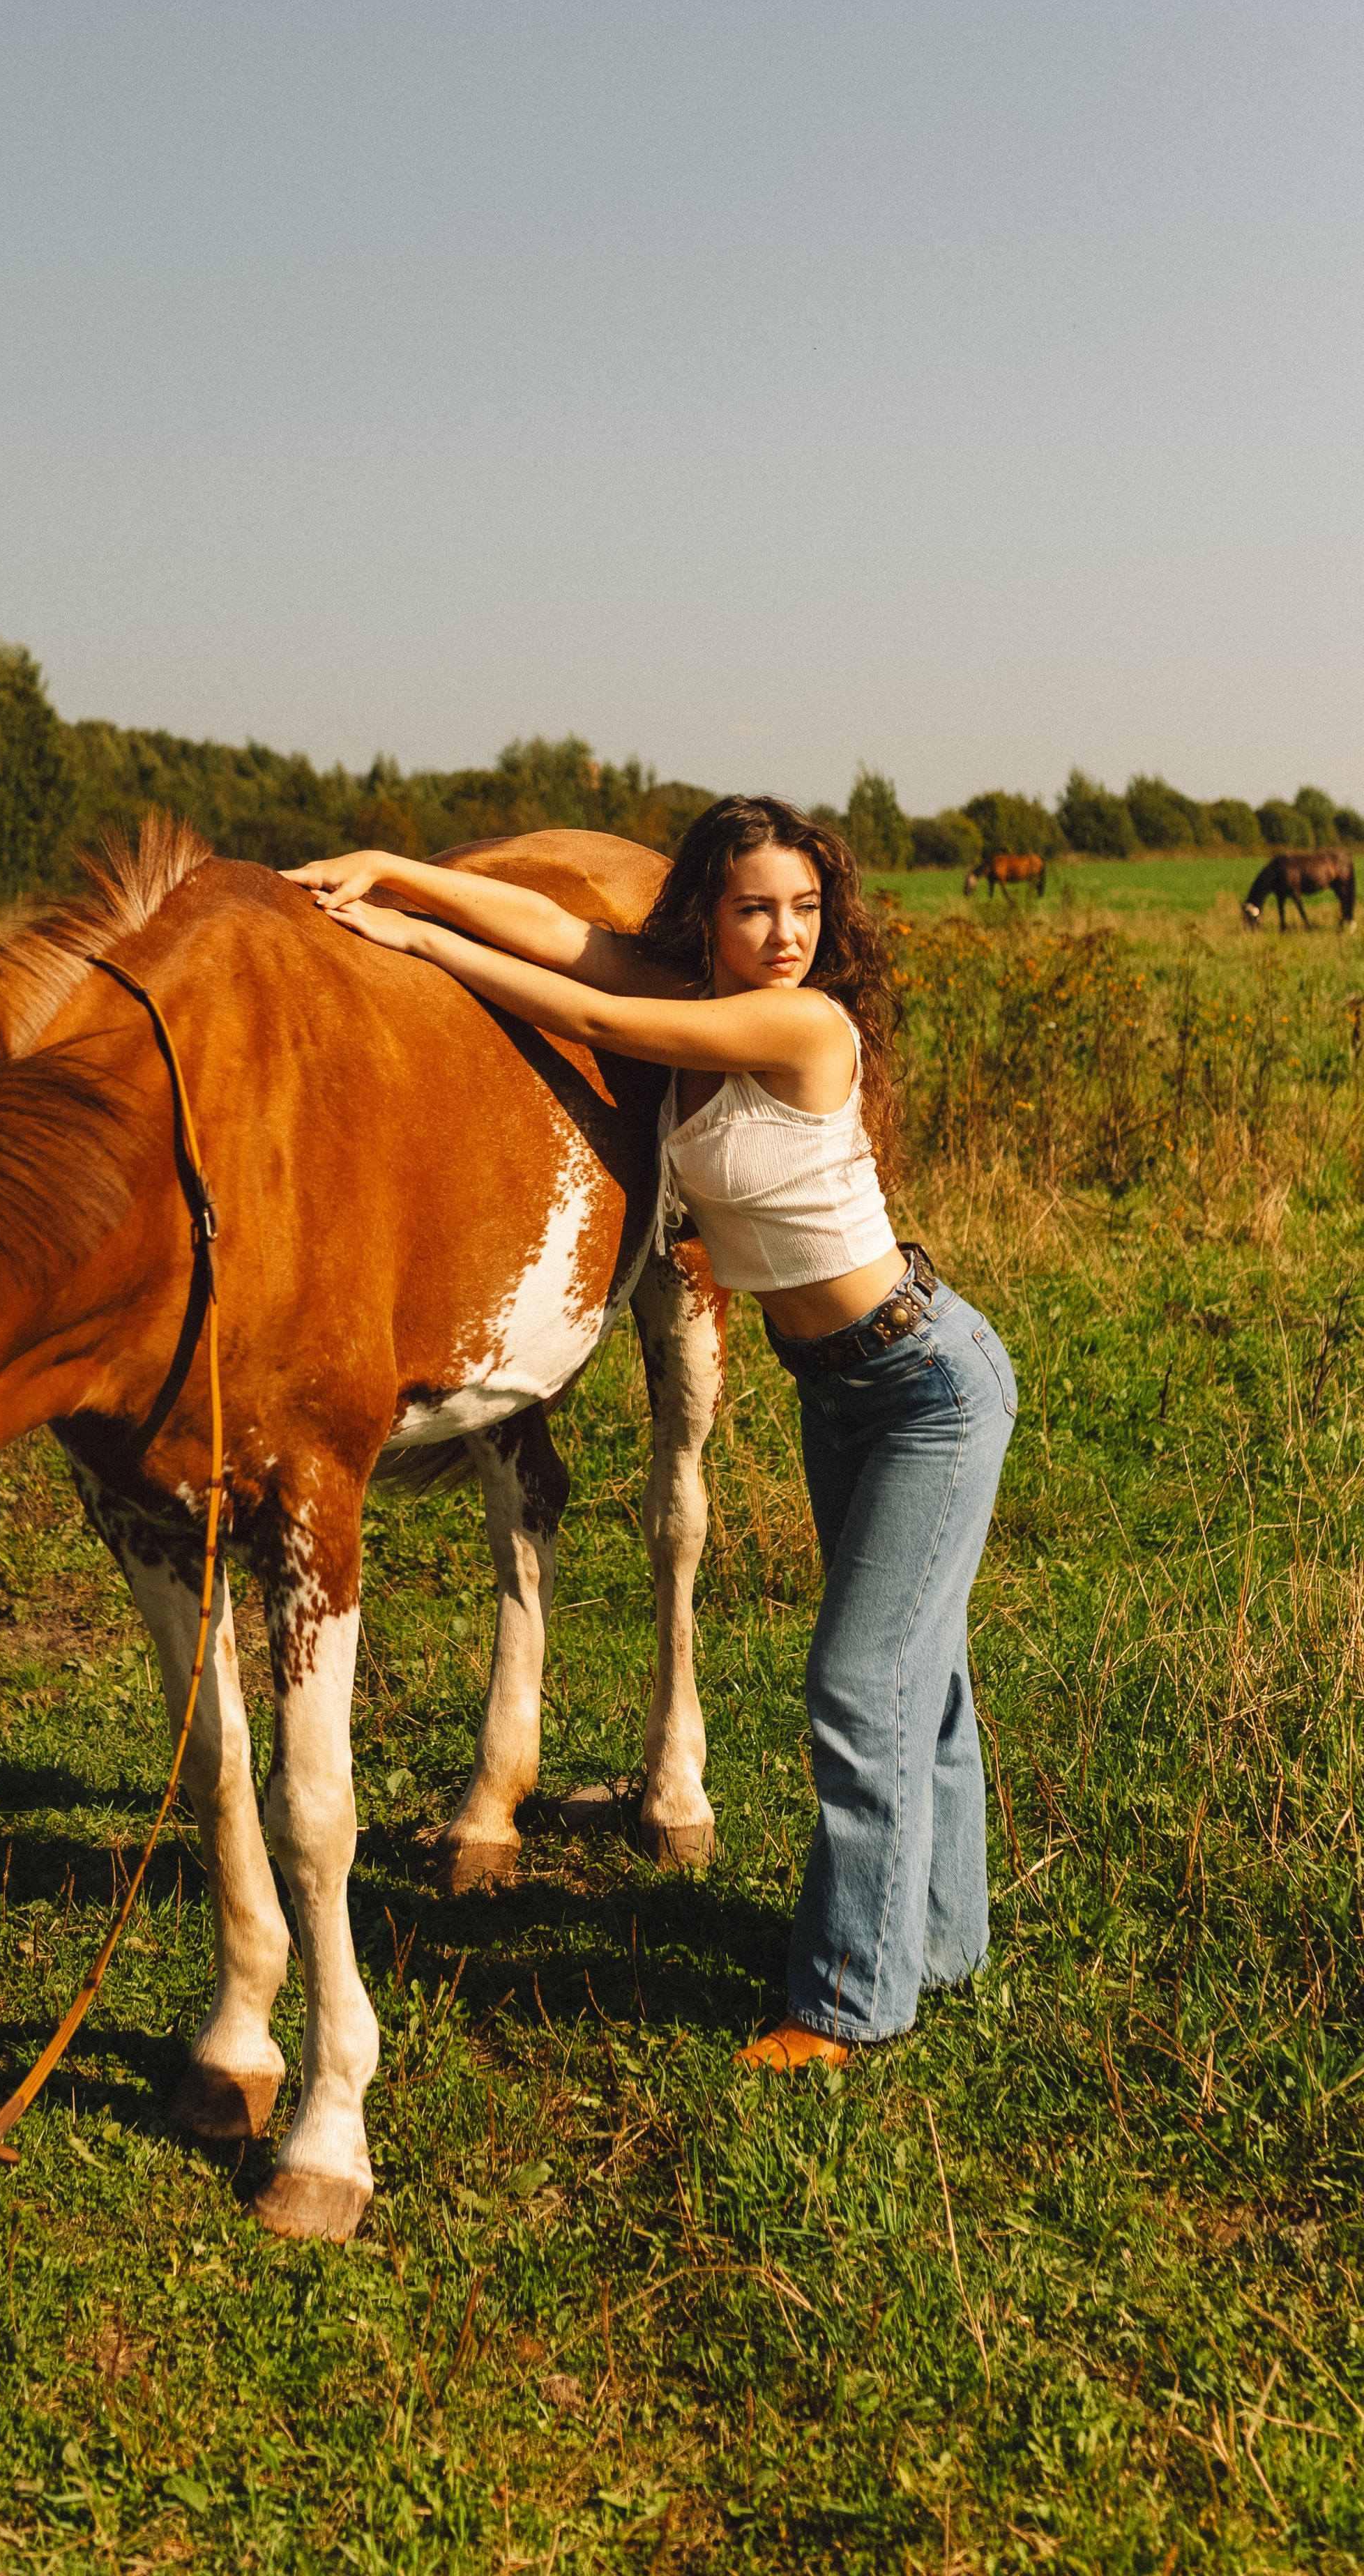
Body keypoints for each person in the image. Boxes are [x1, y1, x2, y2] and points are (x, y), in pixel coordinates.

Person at [283, 799, 1016, 2070]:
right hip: (842, 1389)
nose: (787, 933)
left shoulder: (800, 1021)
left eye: (805, 906)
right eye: (754, 910)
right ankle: (938, 1941)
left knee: (861, 1687)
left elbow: (605, 1018)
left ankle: (845, 2009)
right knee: (922, 1679)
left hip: (926, 1387)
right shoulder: (701, 982)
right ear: (710, 918)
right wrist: (405, 872)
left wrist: (421, 945)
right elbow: (561, 936)